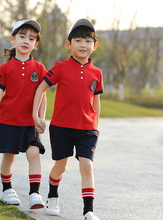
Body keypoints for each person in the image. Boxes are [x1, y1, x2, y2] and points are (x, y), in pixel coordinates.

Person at [33, 18, 103, 220]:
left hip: (87, 129)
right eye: (78, 40)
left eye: (88, 41)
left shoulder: (97, 73)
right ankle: (52, 196)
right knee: (61, 166)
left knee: (87, 165)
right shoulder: (60, 67)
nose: (83, 45)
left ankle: (88, 210)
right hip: (61, 127)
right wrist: (36, 115)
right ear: (68, 44)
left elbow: (96, 102)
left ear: (94, 46)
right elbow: (41, 88)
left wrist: (95, 126)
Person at [0, 19, 47, 209]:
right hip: (8, 121)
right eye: (22, 36)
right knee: (9, 156)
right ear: (12, 39)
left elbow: (42, 96)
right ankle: (7, 190)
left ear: (35, 44)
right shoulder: (5, 68)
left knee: (34, 153)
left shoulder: (40, 69)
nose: (26, 41)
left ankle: (35, 193)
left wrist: (41, 118)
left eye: (31, 38)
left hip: (29, 123)